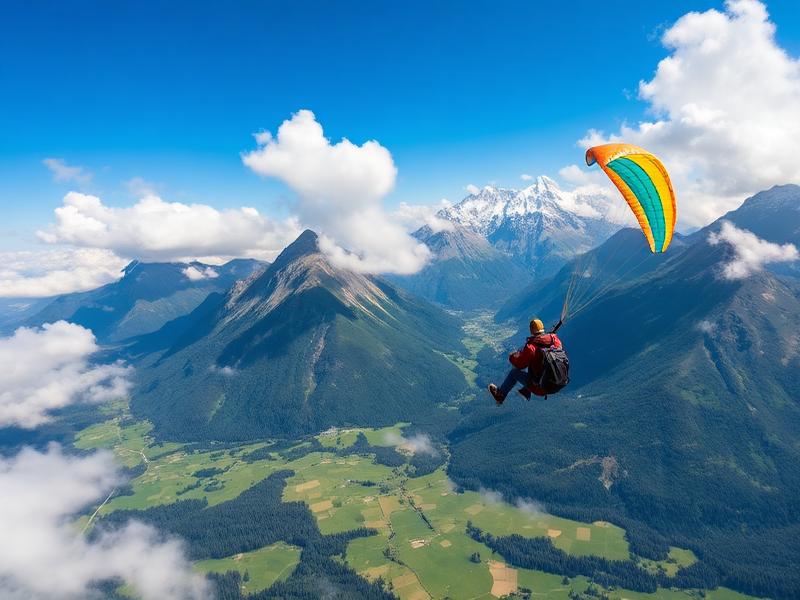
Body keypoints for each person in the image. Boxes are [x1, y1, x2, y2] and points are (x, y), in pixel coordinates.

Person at [488, 318, 564, 405]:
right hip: (558, 383)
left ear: (531, 330)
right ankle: (526, 391)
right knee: (536, 363)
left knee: (514, 373)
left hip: (541, 387)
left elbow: (519, 364)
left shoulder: (531, 347)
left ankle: (500, 395)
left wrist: (512, 356)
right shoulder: (555, 340)